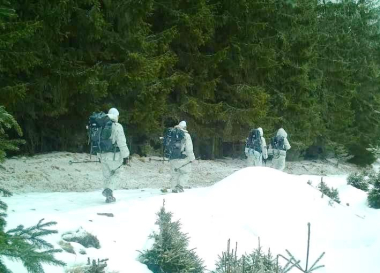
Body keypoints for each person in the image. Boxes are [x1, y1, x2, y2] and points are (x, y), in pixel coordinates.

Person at [98, 108, 130, 203]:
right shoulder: (117, 126)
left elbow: (98, 142)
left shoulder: (101, 125)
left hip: (102, 155)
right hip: (114, 156)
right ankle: (109, 190)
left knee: (107, 176)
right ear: (117, 115)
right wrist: (126, 156)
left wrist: (99, 155)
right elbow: (122, 143)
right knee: (118, 172)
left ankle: (109, 196)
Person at [169, 121, 195, 193]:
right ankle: (180, 186)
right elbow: (189, 149)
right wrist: (192, 159)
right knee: (186, 172)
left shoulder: (171, 133)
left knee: (174, 173)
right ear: (185, 127)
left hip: (172, 158)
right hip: (182, 158)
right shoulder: (186, 135)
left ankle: (174, 188)